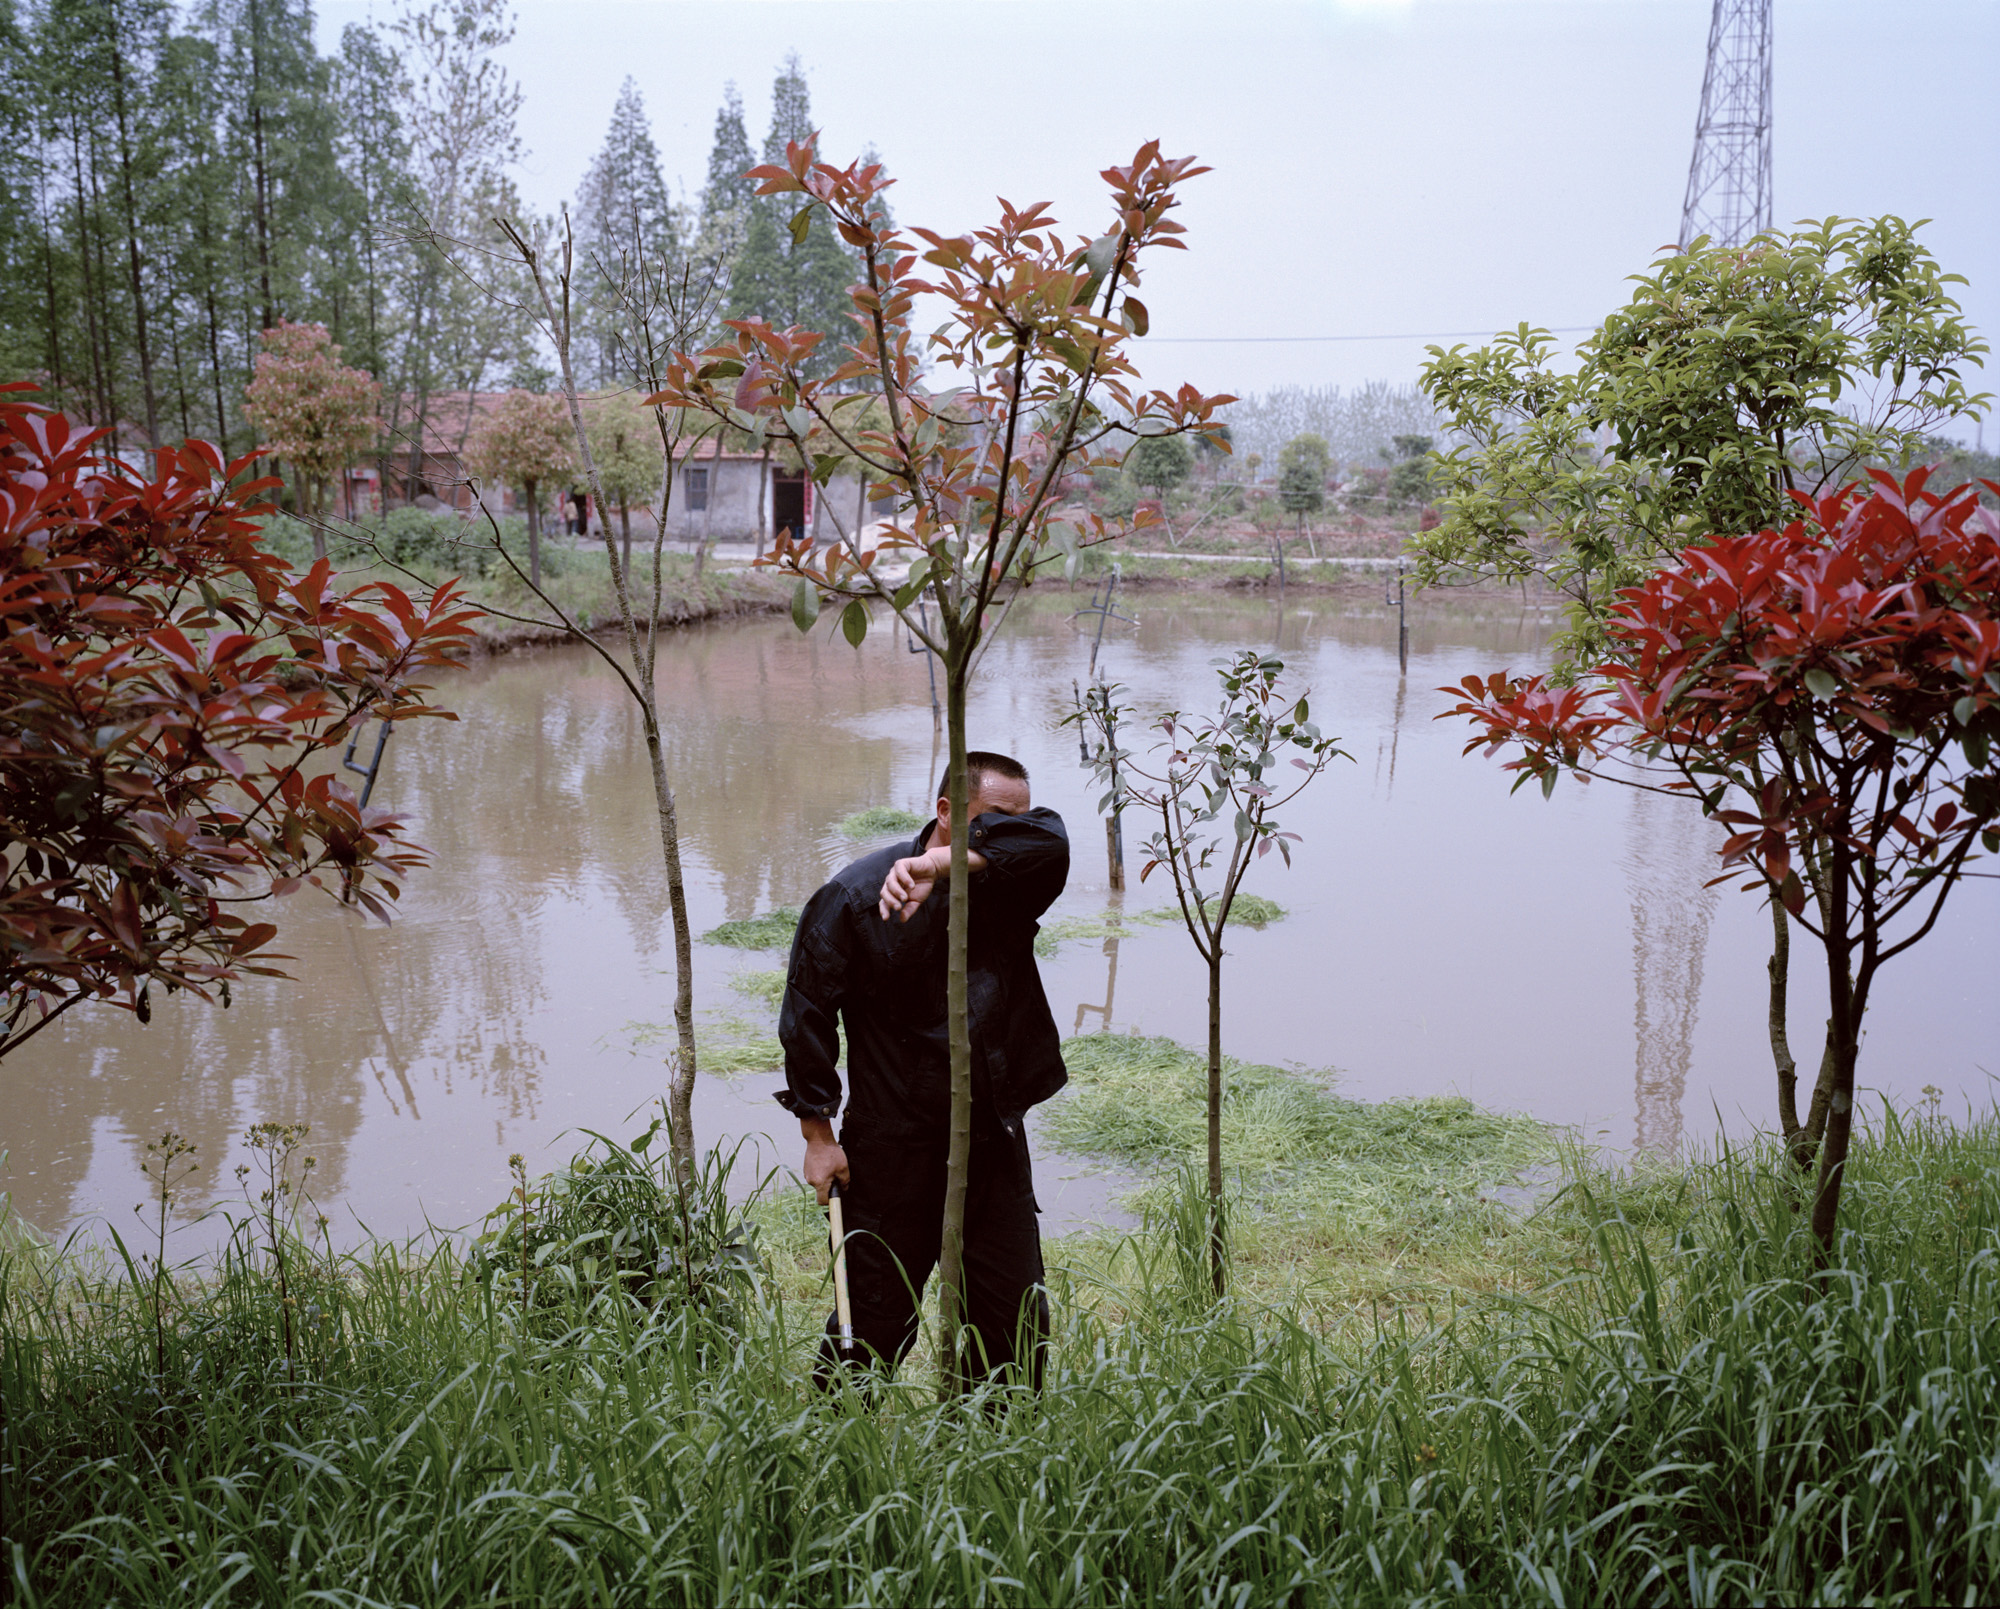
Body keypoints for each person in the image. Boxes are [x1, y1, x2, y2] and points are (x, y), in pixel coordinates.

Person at [777, 751, 1069, 1391]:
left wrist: (940, 864)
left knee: (1014, 1322)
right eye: (991, 821)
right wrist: (818, 1136)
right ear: (945, 811)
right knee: (875, 1323)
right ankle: (837, 1458)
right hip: (893, 1143)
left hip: (993, 1137)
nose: (1006, 837)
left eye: (1016, 823)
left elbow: (1048, 840)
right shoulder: (857, 896)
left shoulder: (1011, 879)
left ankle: (990, 1458)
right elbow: (806, 1012)